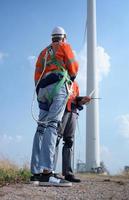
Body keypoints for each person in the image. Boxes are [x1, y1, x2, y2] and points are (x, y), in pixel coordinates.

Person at [30, 26, 79, 186]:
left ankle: (35, 173)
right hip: (58, 86)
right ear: (64, 37)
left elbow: (37, 74)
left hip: (42, 90)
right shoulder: (65, 46)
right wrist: (70, 79)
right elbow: (73, 67)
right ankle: (47, 173)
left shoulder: (43, 52)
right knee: (52, 125)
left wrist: (40, 91)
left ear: (52, 38)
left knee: (40, 129)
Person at [54, 81, 91, 182]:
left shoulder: (76, 84)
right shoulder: (61, 79)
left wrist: (83, 100)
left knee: (69, 141)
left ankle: (68, 173)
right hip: (62, 111)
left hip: (73, 113)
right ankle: (50, 171)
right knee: (55, 139)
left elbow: (76, 99)